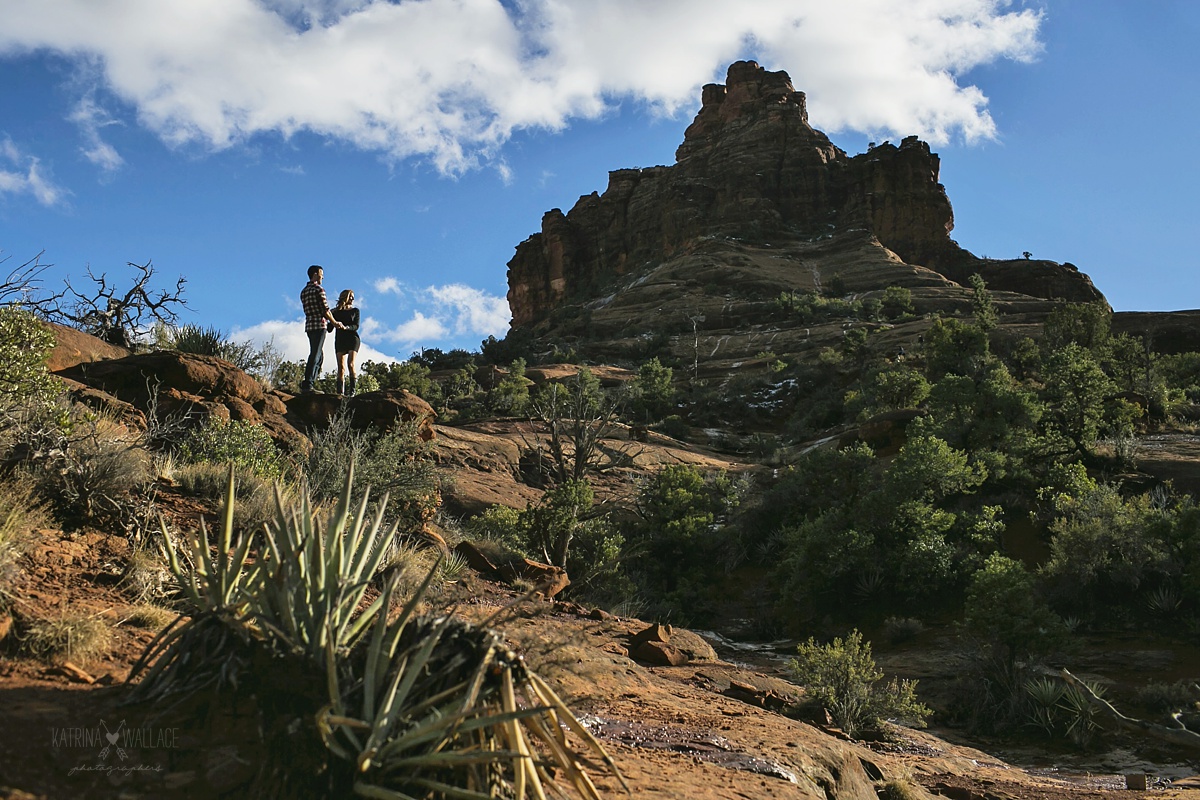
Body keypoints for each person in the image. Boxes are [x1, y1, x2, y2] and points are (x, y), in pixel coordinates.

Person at [300, 264, 343, 393]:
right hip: (319, 325)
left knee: (318, 354)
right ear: (315, 274)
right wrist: (335, 323)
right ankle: (308, 384)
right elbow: (325, 310)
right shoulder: (319, 290)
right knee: (316, 354)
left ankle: (310, 382)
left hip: (309, 325)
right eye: (321, 273)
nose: (322, 276)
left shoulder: (304, 291)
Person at [331, 288, 360, 396]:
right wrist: (331, 316)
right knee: (341, 367)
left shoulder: (355, 311)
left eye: (353, 296)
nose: (352, 298)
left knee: (351, 364)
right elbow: (330, 328)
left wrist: (346, 327)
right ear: (345, 297)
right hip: (340, 339)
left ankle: (352, 392)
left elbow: (356, 326)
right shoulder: (336, 312)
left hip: (352, 338)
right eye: (350, 296)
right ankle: (340, 393)